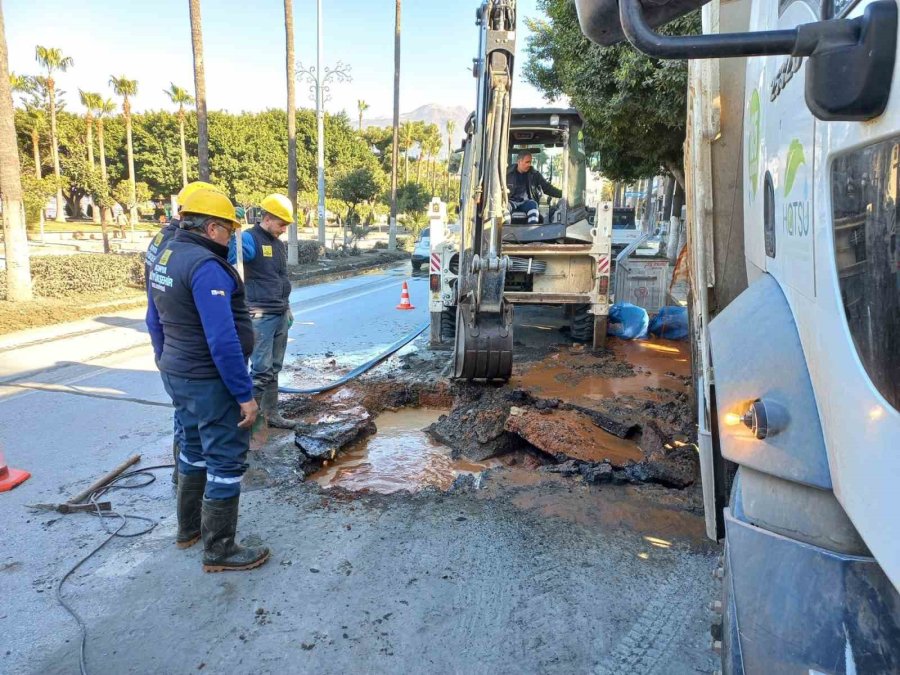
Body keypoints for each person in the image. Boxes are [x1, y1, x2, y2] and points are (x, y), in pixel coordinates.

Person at [146, 188, 269, 572]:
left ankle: (189, 531)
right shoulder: (206, 267)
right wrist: (244, 394)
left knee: (192, 448)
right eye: (230, 232)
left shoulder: (165, 256)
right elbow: (222, 339)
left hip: (178, 373)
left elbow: (153, 320)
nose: (232, 239)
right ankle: (220, 550)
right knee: (225, 460)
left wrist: (165, 360)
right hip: (209, 380)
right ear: (212, 227)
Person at [145, 181, 222, 485]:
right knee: (196, 428)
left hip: (172, 346)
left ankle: (185, 475)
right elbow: (218, 332)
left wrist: (162, 354)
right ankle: (187, 477)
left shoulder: (164, 245)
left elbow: (152, 311)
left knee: (186, 420)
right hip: (191, 352)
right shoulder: (186, 252)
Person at [227, 193, 297, 429]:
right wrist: (233, 232)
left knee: (274, 368)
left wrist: (287, 308)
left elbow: (281, 277)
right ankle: (250, 422)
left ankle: (272, 415)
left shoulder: (277, 244)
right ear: (267, 218)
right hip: (260, 315)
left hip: (278, 312)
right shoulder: (249, 239)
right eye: (281, 224)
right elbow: (233, 259)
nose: (284, 229)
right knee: (261, 370)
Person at [506, 151, 563, 224]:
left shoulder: (535, 174)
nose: (529, 164)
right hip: (511, 201)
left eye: (530, 162)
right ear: (519, 161)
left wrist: (563, 194)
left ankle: (532, 230)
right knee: (504, 209)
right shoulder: (507, 174)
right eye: (527, 162)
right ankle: (505, 231)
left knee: (533, 205)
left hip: (527, 202)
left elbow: (547, 188)